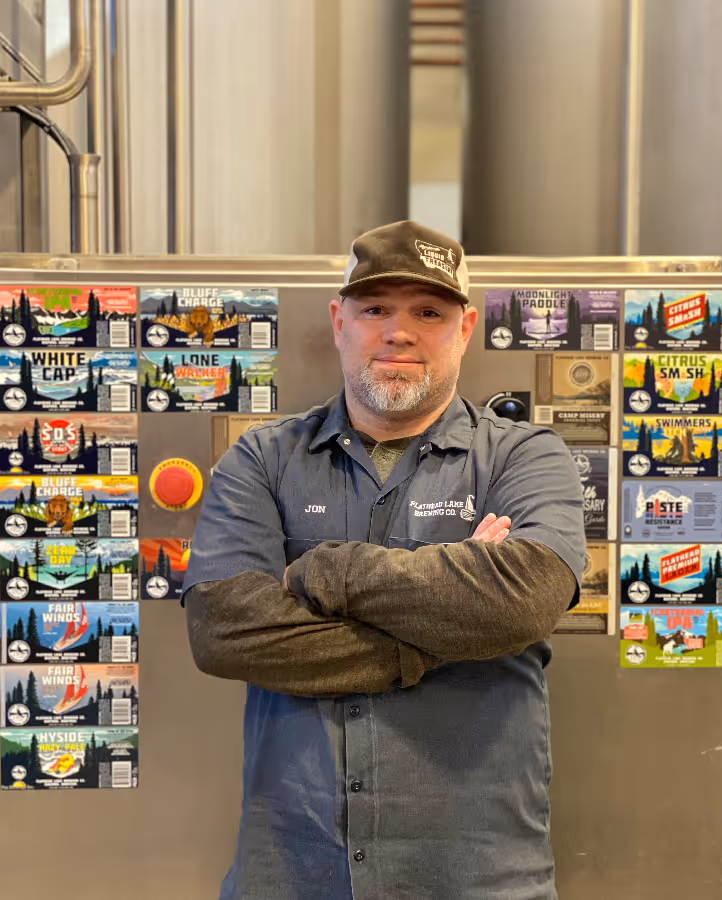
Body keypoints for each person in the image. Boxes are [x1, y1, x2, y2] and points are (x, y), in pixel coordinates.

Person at [183, 220, 585, 900]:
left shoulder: (524, 457)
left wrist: (324, 573)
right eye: (375, 309)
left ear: (465, 329)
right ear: (339, 321)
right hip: (292, 876)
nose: (399, 332)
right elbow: (223, 630)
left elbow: (527, 598)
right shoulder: (262, 460)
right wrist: (444, 631)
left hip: (478, 878)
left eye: (428, 312)